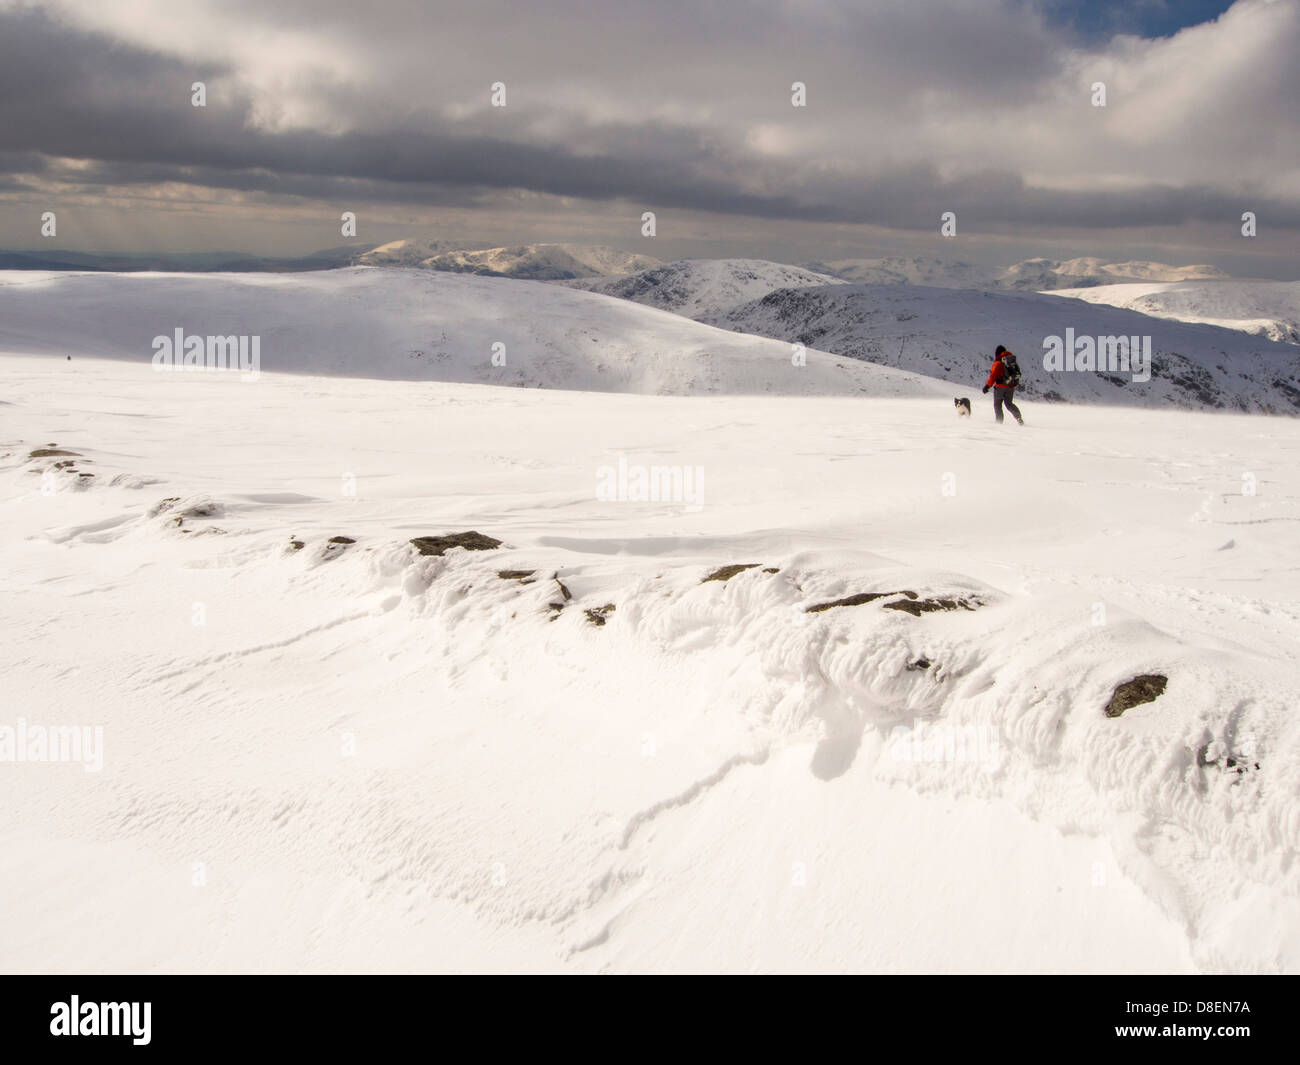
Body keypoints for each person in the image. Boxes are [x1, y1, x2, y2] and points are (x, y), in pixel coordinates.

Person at [982, 345, 1024, 425]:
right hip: (1010, 386)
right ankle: (1018, 417)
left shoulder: (998, 363)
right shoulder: (1012, 362)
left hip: (1000, 387)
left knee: (997, 405)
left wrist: (987, 386)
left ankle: (999, 423)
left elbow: (993, 376)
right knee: (1009, 404)